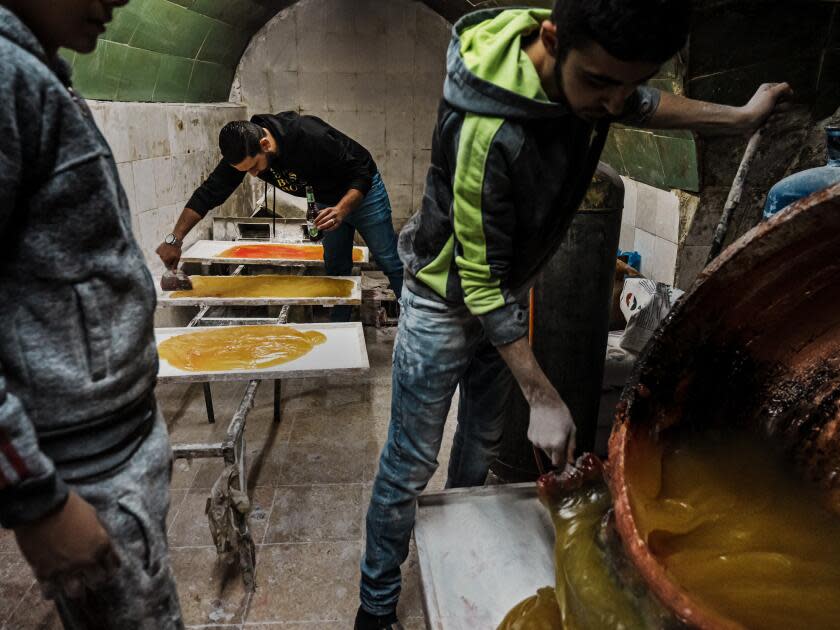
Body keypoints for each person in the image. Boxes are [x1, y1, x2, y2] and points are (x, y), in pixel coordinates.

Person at [355, 1, 792, 627]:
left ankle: (462, 552)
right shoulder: (486, 129)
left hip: (498, 300)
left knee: (478, 444)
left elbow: (646, 106)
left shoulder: (593, 74)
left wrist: (741, 117)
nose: (614, 104)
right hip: (443, 303)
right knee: (409, 463)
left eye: (628, 84)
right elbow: (477, 283)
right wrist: (542, 394)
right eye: (599, 83)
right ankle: (373, 607)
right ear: (552, 40)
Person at [0, 0, 184, 627]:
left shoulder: (38, 72)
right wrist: (37, 501)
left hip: (113, 443)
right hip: (82, 467)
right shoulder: (6, 78)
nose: (120, 0)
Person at [156, 114, 404, 320]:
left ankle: (414, 321)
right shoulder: (245, 147)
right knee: (337, 267)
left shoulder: (309, 135)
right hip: (326, 200)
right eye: (246, 171)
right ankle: (341, 325)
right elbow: (210, 192)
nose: (252, 174)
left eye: (254, 166)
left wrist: (343, 209)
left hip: (362, 193)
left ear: (265, 145)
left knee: (388, 259)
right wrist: (175, 238)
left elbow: (362, 171)